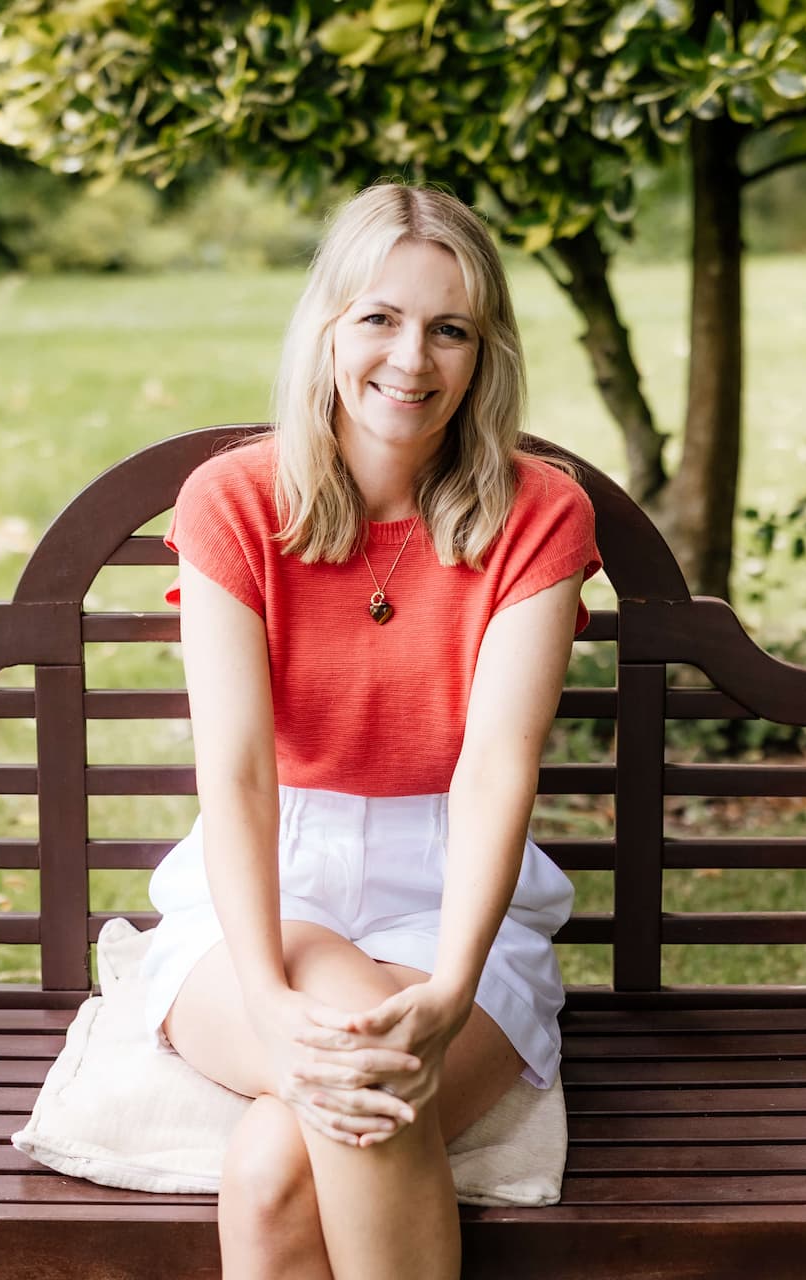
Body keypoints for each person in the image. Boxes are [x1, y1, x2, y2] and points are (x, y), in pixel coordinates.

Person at [139, 182, 602, 1279]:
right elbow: (240, 775)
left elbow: (496, 767)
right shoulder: (234, 500)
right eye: (381, 319)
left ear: (486, 352)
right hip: (261, 885)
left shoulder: (540, 511)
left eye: (451, 328)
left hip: (451, 886)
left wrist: (446, 989)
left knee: (272, 1170)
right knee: (362, 1060)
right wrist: (264, 989)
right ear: (329, 328)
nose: (413, 358)